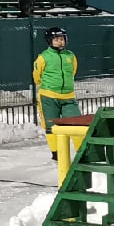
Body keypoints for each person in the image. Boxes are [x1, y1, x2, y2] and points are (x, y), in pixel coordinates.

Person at [33, 26, 80, 155]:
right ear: (50, 41)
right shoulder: (43, 57)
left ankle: (82, 152)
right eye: (56, 39)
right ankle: (56, 152)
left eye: (62, 39)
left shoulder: (71, 56)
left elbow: (73, 71)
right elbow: (37, 75)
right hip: (48, 97)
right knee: (51, 126)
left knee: (77, 124)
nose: (60, 42)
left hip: (68, 96)